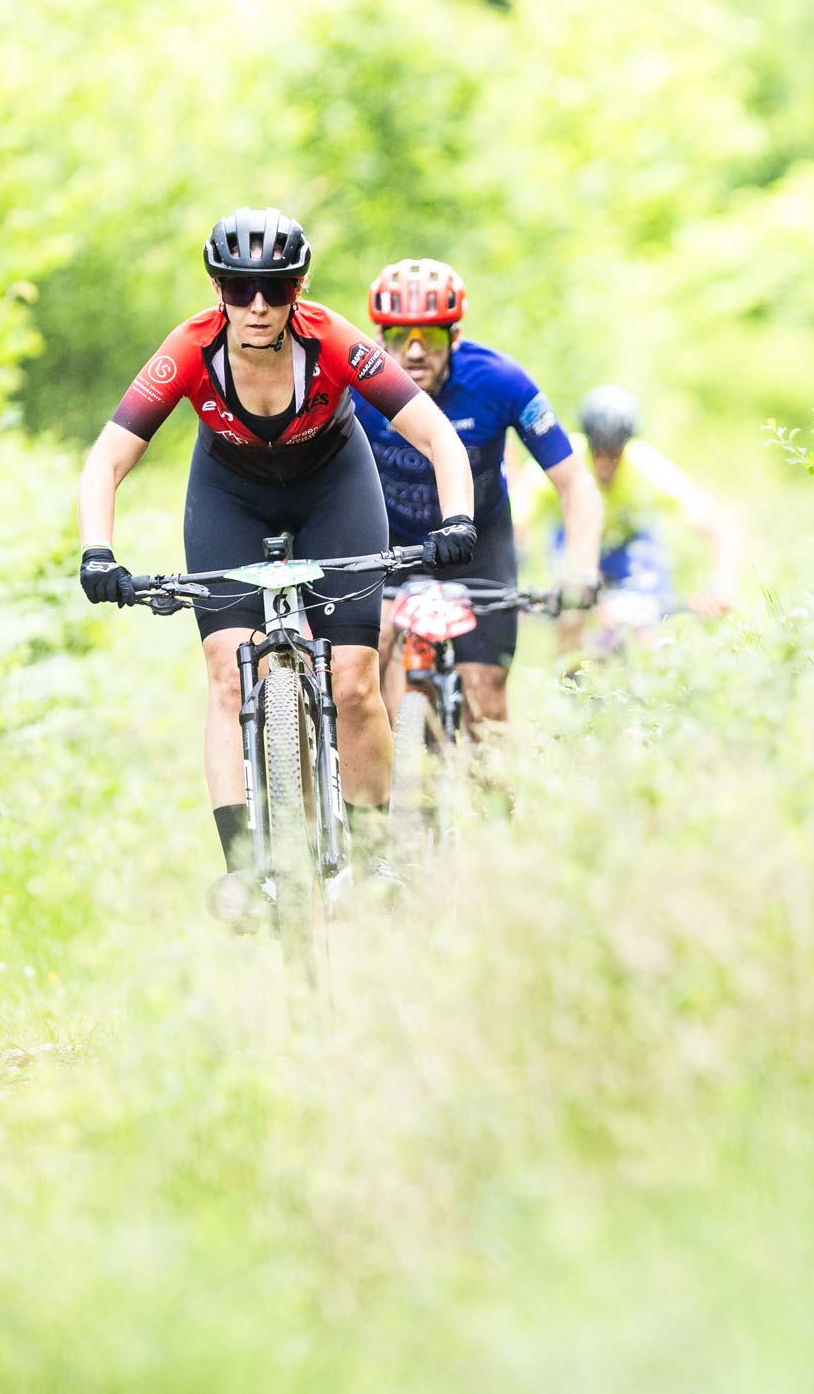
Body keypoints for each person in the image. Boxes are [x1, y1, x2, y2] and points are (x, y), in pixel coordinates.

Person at [74, 209, 478, 916]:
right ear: (216, 288)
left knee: (354, 681)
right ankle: (242, 872)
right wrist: (97, 550)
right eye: (237, 287)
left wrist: (456, 519)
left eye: (276, 286)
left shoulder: (333, 341)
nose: (256, 305)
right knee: (228, 676)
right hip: (230, 493)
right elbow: (107, 457)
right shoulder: (191, 349)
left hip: (333, 486)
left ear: (301, 287)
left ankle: (376, 857)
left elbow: (437, 435)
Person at [356, 258, 603, 738]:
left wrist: (580, 567)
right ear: (378, 337)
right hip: (390, 546)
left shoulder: (500, 382)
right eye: (398, 337)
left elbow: (576, 484)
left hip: (479, 549)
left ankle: (492, 810)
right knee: (371, 677)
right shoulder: (356, 385)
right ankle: (391, 800)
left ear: (455, 336)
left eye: (428, 337)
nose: (412, 353)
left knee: (486, 700)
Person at [518, 385, 743, 638]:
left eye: (613, 454)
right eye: (598, 453)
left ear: (626, 446)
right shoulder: (563, 460)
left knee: (649, 624)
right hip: (575, 540)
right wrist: (512, 580)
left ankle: (647, 670)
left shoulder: (644, 465)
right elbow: (516, 521)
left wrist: (722, 581)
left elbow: (716, 524)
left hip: (629, 544)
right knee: (572, 613)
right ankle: (571, 672)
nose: (604, 464)